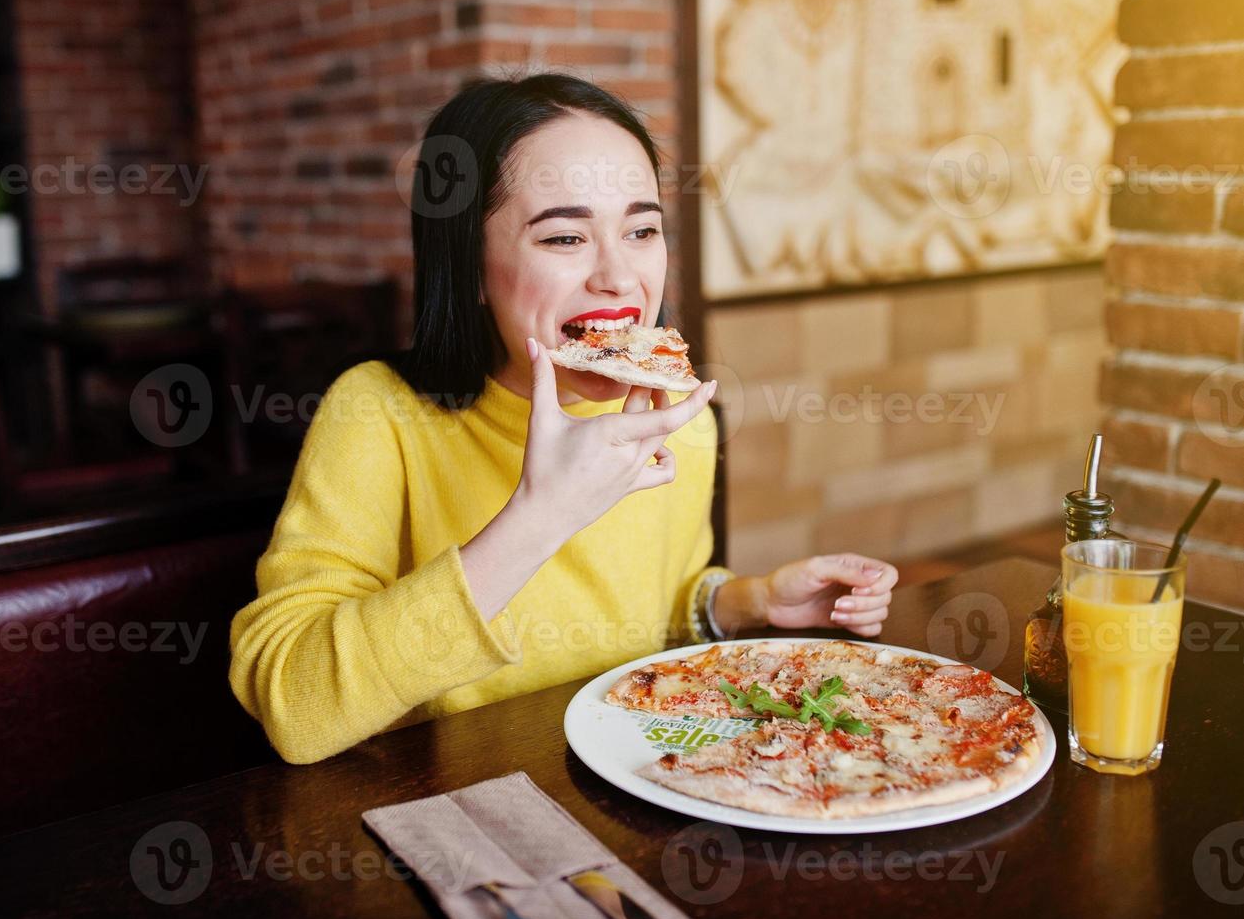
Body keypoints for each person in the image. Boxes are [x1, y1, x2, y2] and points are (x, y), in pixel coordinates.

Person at [230, 74, 897, 764]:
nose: (616, 275)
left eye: (640, 229)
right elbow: (292, 706)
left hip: (635, 772)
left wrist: (748, 603)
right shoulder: (378, 412)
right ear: (470, 267)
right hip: (453, 799)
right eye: (563, 238)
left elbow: (640, 617)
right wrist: (542, 513)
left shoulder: (679, 420)